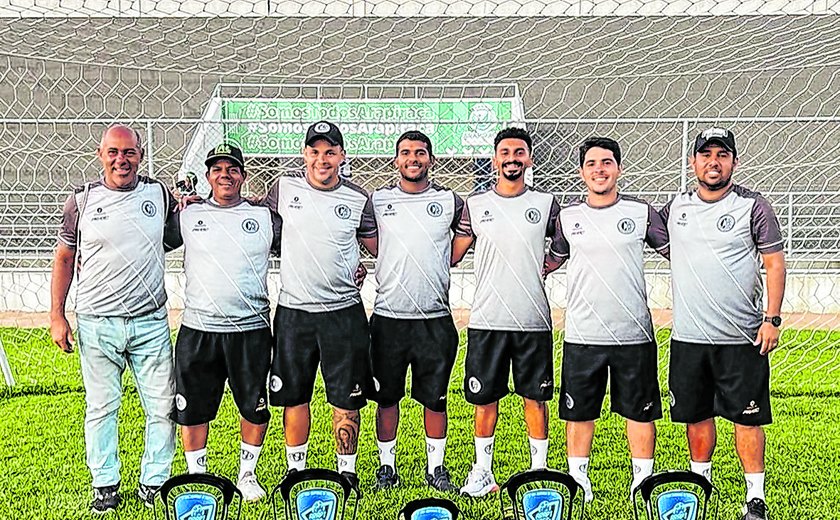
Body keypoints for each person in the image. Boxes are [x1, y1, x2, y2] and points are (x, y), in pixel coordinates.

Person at [49, 124, 178, 513]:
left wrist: (188, 204)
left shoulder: (158, 195)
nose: (122, 160)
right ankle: (105, 483)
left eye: (130, 153)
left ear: (140, 155)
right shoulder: (83, 201)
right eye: (114, 152)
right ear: (100, 154)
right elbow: (64, 258)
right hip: (97, 321)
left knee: (162, 406)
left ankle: (154, 482)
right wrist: (57, 315)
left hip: (151, 321)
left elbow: (174, 237)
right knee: (103, 406)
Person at [661, 128, 786, 520]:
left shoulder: (754, 206)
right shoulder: (675, 208)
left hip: (742, 339)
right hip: (688, 338)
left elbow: (774, 264)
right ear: (692, 162)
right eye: (705, 154)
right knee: (696, 418)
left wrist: (772, 319)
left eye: (722, 154)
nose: (713, 162)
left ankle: (755, 499)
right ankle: (702, 488)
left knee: (746, 419)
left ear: (734, 161)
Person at [544, 137, 670, 501]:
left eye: (607, 162)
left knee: (641, 413)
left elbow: (678, 253)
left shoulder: (641, 213)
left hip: (634, 334)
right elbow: (551, 260)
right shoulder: (568, 218)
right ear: (582, 172)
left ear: (619, 168)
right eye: (592, 164)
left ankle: (641, 482)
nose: (600, 169)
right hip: (583, 335)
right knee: (579, 413)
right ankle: (578, 481)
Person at [262, 121, 378, 487]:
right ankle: (296, 470)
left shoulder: (359, 199)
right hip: (294, 313)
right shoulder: (282, 189)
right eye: (314, 151)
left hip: (343, 314)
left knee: (346, 397)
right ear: (305, 154)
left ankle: (348, 473)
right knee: (295, 394)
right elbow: (255, 223)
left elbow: (381, 248)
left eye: (330, 152)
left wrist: (359, 268)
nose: (322, 159)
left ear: (342, 156)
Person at [168, 144, 281, 502]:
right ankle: (197, 473)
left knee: (253, 403)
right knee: (194, 406)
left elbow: (306, 245)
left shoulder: (264, 218)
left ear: (243, 176)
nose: (225, 175)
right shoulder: (188, 215)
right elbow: (149, 241)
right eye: (217, 169)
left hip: (250, 329)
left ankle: (247, 474)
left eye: (232, 169)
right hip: (199, 329)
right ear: (207, 176)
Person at [451, 127, 559, 497]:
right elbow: (452, 252)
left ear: (529, 158)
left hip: (533, 319)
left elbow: (563, 246)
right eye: (505, 152)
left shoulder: (546, 204)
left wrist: (544, 264)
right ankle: (482, 472)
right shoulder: (476, 205)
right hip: (487, 319)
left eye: (519, 152)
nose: (512, 158)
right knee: (485, 399)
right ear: (495, 159)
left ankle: (539, 470)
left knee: (536, 397)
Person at [369, 131, 463, 492]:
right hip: (389, 319)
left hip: (434, 319)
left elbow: (461, 242)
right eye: (406, 153)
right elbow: (368, 239)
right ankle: (386, 468)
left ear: (431, 160)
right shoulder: (377, 201)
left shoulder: (449, 200)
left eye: (420, 153)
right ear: (396, 161)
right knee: (387, 398)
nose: (413, 158)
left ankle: (436, 469)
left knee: (435, 399)